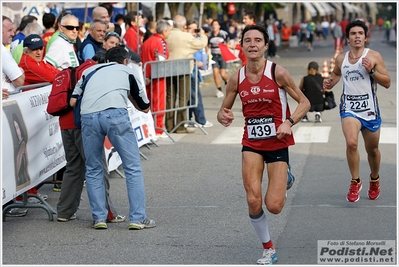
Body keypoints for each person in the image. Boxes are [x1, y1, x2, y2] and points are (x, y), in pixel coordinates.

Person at [217, 25, 310, 265]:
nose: (253, 44)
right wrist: (222, 116)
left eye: (258, 40)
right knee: (253, 199)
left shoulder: (278, 73)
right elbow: (223, 109)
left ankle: (286, 177)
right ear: (242, 46)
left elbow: (304, 103)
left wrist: (289, 121)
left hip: (278, 142)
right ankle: (268, 248)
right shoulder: (237, 77)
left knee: (274, 206)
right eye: (247, 40)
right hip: (252, 143)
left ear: (266, 45)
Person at [70, 45, 155, 230]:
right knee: (132, 167)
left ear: (107, 59)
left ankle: (99, 217)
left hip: (89, 117)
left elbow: (72, 100)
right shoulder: (127, 71)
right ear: (125, 61)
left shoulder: (89, 70)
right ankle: (138, 218)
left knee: (93, 168)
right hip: (115, 115)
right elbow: (144, 106)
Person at [323, 20, 391, 203]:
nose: (357, 36)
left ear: (365, 37)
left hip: (370, 110)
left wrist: (372, 71)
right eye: (353, 33)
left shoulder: (374, 56)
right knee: (351, 143)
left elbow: (387, 82)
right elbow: (337, 73)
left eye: (360, 33)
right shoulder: (341, 58)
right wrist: (330, 82)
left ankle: (374, 179)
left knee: (373, 150)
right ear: (347, 38)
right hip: (350, 109)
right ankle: (355, 180)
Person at [165, 15, 208, 134]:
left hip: (168, 69)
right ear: (184, 26)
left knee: (170, 98)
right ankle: (180, 126)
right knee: (183, 98)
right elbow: (201, 44)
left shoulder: (167, 35)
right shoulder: (186, 36)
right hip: (183, 70)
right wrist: (203, 34)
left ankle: (169, 125)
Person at [140, 19, 171, 137]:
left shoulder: (147, 41)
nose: (169, 34)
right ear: (164, 31)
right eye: (169, 31)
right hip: (157, 76)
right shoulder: (160, 42)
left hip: (147, 75)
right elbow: (161, 60)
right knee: (159, 103)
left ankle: (150, 128)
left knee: (149, 103)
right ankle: (158, 129)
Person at [186, 19, 213, 128]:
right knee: (194, 95)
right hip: (189, 69)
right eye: (191, 28)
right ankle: (200, 119)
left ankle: (191, 118)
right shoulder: (187, 39)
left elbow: (201, 49)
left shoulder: (197, 39)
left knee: (193, 95)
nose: (194, 31)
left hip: (195, 70)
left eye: (195, 28)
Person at [2, 16, 25, 93]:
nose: (13, 34)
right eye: (9, 30)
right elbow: (19, 82)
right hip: (7, 102)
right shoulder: (3, 52)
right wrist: (21, 71)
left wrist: (19, 70)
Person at [208, 19, 229, 98]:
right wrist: (207, 54)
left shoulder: (224, 34)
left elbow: (228, 43)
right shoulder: (210, 35)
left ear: (219, 26)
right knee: (215, 73)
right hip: (213, 56)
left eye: (216, 24)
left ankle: (227, 82)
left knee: (223, 74)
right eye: (213, 25)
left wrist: (224, 50)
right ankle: (219, 90)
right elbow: (207, 45)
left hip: (222, 56)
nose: (214, 26)